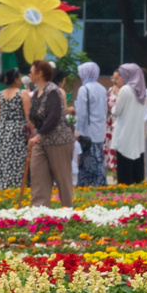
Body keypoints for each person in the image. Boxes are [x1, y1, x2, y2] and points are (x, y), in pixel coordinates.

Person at [24, 58, 76, 206]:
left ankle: (68, 212)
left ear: (40, 73)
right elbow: (35, 117)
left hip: (59, 141)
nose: (29, 73)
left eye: (31, 71)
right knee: (38, 177)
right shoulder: (35, 93)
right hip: (41, 141)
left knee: (62, 179)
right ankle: (39, 212)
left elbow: (54, 116)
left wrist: (39, 135)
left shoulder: (52, 91)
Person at [0, 64, 30, 202]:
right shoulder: (22, 93)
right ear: (17, 79)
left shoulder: (0, 95)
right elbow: (27, 114)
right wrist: (32, 131)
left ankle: (1, 188)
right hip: (17, 130)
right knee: (17, 160)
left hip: (2, 130)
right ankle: (16, 189)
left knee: (2, 160)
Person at [73, 60, 108, 190]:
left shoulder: (84, 89)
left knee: (88, 158)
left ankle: (88, 184)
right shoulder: (102, 88)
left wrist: (77, 130)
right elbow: (105, 110)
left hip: (87, 130)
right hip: (99, 128)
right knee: (98, 156)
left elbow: (81, 113)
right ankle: (100, 183)